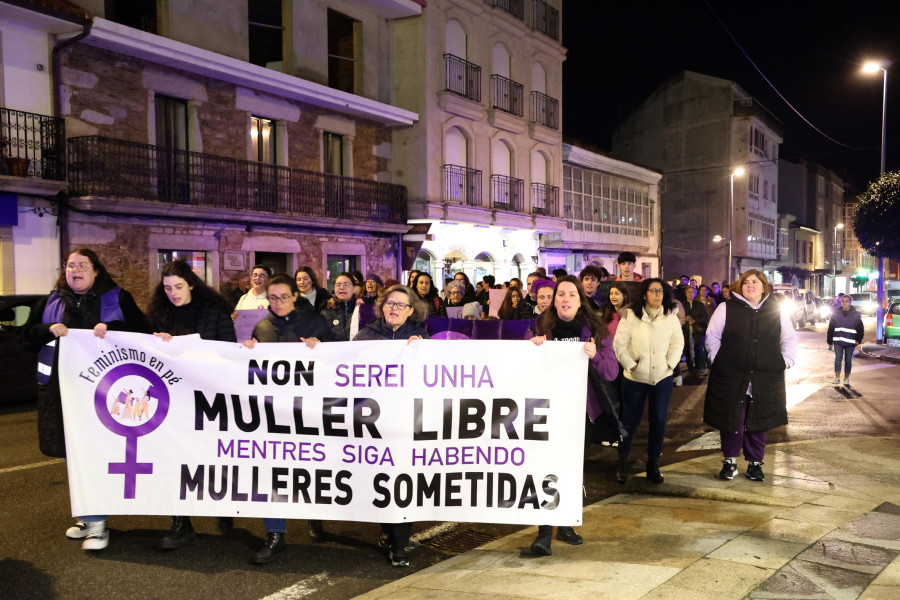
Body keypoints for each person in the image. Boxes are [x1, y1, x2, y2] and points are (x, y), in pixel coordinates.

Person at [24, 247, 149, 551]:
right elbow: (25, 338)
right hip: (62, 392)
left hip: (106, 394)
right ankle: (88, 517)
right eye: (70, 265)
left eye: (82, 265)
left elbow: (143, 332)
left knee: (96, 455)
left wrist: (114, 329)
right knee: (75, 457)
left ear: (96, 271)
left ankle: (97, 523)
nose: (75, 270)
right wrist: (45, 329)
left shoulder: (118, 299)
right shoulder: (49, 303)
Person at [147, 260, 237, 551]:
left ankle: (224, 504)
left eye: (178, 287)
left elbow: (230, 353)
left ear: (192, 285)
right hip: (174, 400)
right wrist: (157, 342)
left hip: (209, 399)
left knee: (212, 458)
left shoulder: (214, 313)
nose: (173, 293)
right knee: (175, 460)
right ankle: (181, 523)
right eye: (168, 288)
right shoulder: (161, 314)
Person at [243, 274, 333, 563]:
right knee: (271, 471)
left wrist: (323, 348)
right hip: (271, 413)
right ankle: (275, 533)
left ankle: (314, 516)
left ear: (296, 296)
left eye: (284, 296)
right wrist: (244, 352)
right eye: (272, 297)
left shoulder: (315, 323)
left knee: (309, 468)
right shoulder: (262, 327)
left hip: (309, 411)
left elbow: (345, 361)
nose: (278, 302)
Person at [528, 275, 618, 555]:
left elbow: (611, 371)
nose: (565, 299)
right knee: (546, 466)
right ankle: (543, 531)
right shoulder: (541, 326)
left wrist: (595, 355)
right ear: (553, 301)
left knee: (572, 468)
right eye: (560, 295)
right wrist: (533, 347)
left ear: (581, 300)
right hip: (547, 409)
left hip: (581, 411)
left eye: (571, 295)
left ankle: (565, 524)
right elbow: (522, 365)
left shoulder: (596, 328)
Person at [352, 285, 429, 566]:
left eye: (401, 305)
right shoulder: (366, 336)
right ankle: (387, 530)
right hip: (375, 424)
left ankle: (398, 545)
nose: (394, 308)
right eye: (389, 304)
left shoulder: (420, 338)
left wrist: (422, 351)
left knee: (403, 481)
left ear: (411, 311)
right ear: (382, 307)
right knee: (382, 482)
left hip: (407, 424)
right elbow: (345, 368)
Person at [704, 270, 798, 482]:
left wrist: (786, 361)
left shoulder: (776, 310)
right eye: (746, 282)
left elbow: (789, 337)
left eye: (755, 282)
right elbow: (712, 336)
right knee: (731, 419)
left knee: (759, 420)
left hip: (764, 377)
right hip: (731, 376)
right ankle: (730, 462)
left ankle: (755, 464)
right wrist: (717, 358)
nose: (750, 285)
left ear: (764, 287)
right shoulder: (726, 308)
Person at [613, 279, 683, 484]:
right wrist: (630, 364)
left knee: (659, 420)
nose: (657, 294)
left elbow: (678, 342)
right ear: (644, 294)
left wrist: (669, 364)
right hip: (635, 378)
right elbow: (619, 344)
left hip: (661, 378)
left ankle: (653, 463)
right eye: (653, 291)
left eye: (660, 291)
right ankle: (623, 460)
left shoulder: (670, 316)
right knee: (629, 422)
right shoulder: (631, 316)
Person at [826, 293, 864, 386]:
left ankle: (846, 378)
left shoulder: (856, 314)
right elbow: (831, 327)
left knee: (848, 360)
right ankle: (837, 377)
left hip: (850, 341)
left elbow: (860, 328)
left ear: (850, 302)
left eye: (847, 301)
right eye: (843, 301)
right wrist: (829, 339)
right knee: (838, 359)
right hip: (838, 341)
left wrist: (859, 339)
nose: (845, 303)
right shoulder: (836, 313)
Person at [683, 285, 709, 379]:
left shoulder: (699, 304)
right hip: (685, 331)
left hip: (697, 331)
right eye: (688, 292)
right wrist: (684, 319)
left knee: (698, 350)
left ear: (695, 293)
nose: (690, 293)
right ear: (685, 293)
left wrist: (695, 321)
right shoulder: (682, 304)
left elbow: (705, 317)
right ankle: (690, 369)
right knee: (687, 351)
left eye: (692, 292)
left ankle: (698, 369)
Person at [320, 273, 357, 341]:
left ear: (354, 288)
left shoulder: (361, 308)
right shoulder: (326, 311)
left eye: (346, 284)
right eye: (338, 285)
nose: (342, 287)